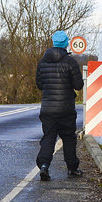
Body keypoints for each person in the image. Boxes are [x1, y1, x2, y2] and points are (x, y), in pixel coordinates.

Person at [34, 30, 84, 181]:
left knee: (49, 137)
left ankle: (44, 166)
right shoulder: (70, 62)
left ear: (53, 43)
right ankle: (72, 168)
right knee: (68, 137)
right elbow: (78, 85)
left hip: (48, 107)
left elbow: (40, 84)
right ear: (66, 44)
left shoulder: (42, 62)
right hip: (66, 108)